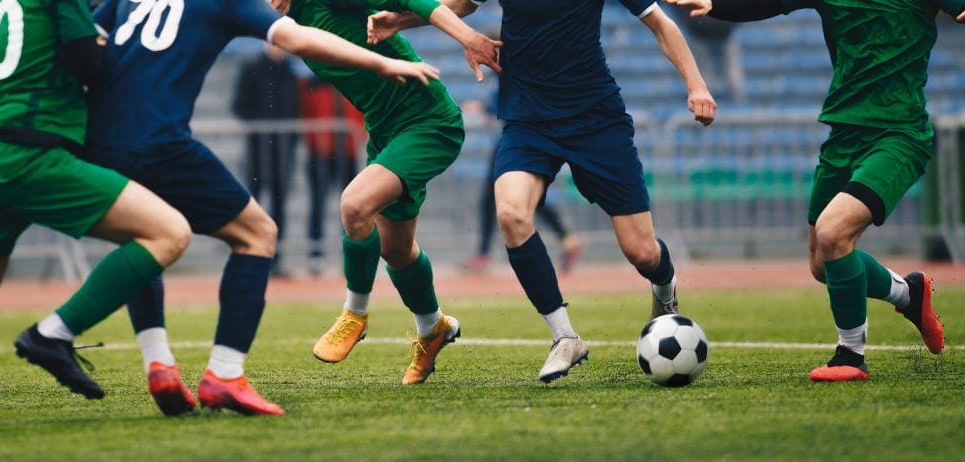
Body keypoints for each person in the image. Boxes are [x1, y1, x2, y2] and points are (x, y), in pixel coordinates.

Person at [85, 0, 441, 415]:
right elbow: (296, 36)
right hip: (164, 141)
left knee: (145, 238)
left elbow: (84, 48)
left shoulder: (121, 5)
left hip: (99, 134)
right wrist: (382, 63)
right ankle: (221, 371)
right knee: (258, 232)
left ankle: (157, 361)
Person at [369, 0, 717, 382]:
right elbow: (459, 5)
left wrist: (697, 85)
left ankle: (664, 287)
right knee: (511, 214)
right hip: (528, 118)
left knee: (642, 252)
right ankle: (564, 336)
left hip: (596, 119)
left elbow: (661, 24)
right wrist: (399, 21)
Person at [662, 0, 965, 381]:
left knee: (835, 232)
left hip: (898, 134)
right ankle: (908, 294)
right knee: (823, 263)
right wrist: (717, 4)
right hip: (843, 135)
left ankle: (850, 355)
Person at [0, 0, 191, 401]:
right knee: (168, 233)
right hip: (31, 151)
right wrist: (98, 42)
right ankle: (51, 335)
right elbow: (89, 64)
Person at [284, 0, 501, 385]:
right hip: (384, 132)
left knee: (354, 205)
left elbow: (418, 1)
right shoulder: (287, 26)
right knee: (396, 250)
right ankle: (433, 328)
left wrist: (469, 38)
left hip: (427, 121)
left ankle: (355, 314)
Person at [461, 93, 585, 275]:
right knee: (517, 198)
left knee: (499, 196)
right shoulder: (500, 75)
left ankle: (483, 254)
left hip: (516, 138)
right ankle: (567, 238)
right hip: (517, 136)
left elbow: (508, 101)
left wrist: (482, 108)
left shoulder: (508, 70)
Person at [232, 44, 301, 277]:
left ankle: (276, 259)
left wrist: (288, 139)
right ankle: (252, 257)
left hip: (282, 152)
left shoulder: (289, 71)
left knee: (279, 205)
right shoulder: (252, 67)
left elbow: (295, 109)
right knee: (254, 204)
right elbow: (240, 106)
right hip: (257, 150)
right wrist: (262, 129)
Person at [297, 76, 365, 276]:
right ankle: (315, 254)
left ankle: (349, 252)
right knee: (318, 202)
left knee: (351, 206)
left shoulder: (352, 81)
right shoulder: (312, 84)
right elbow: (306, 115)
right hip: (321, 153)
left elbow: (362, 112)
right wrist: (315, 141)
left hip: (348, 152)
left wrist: (360, 133)